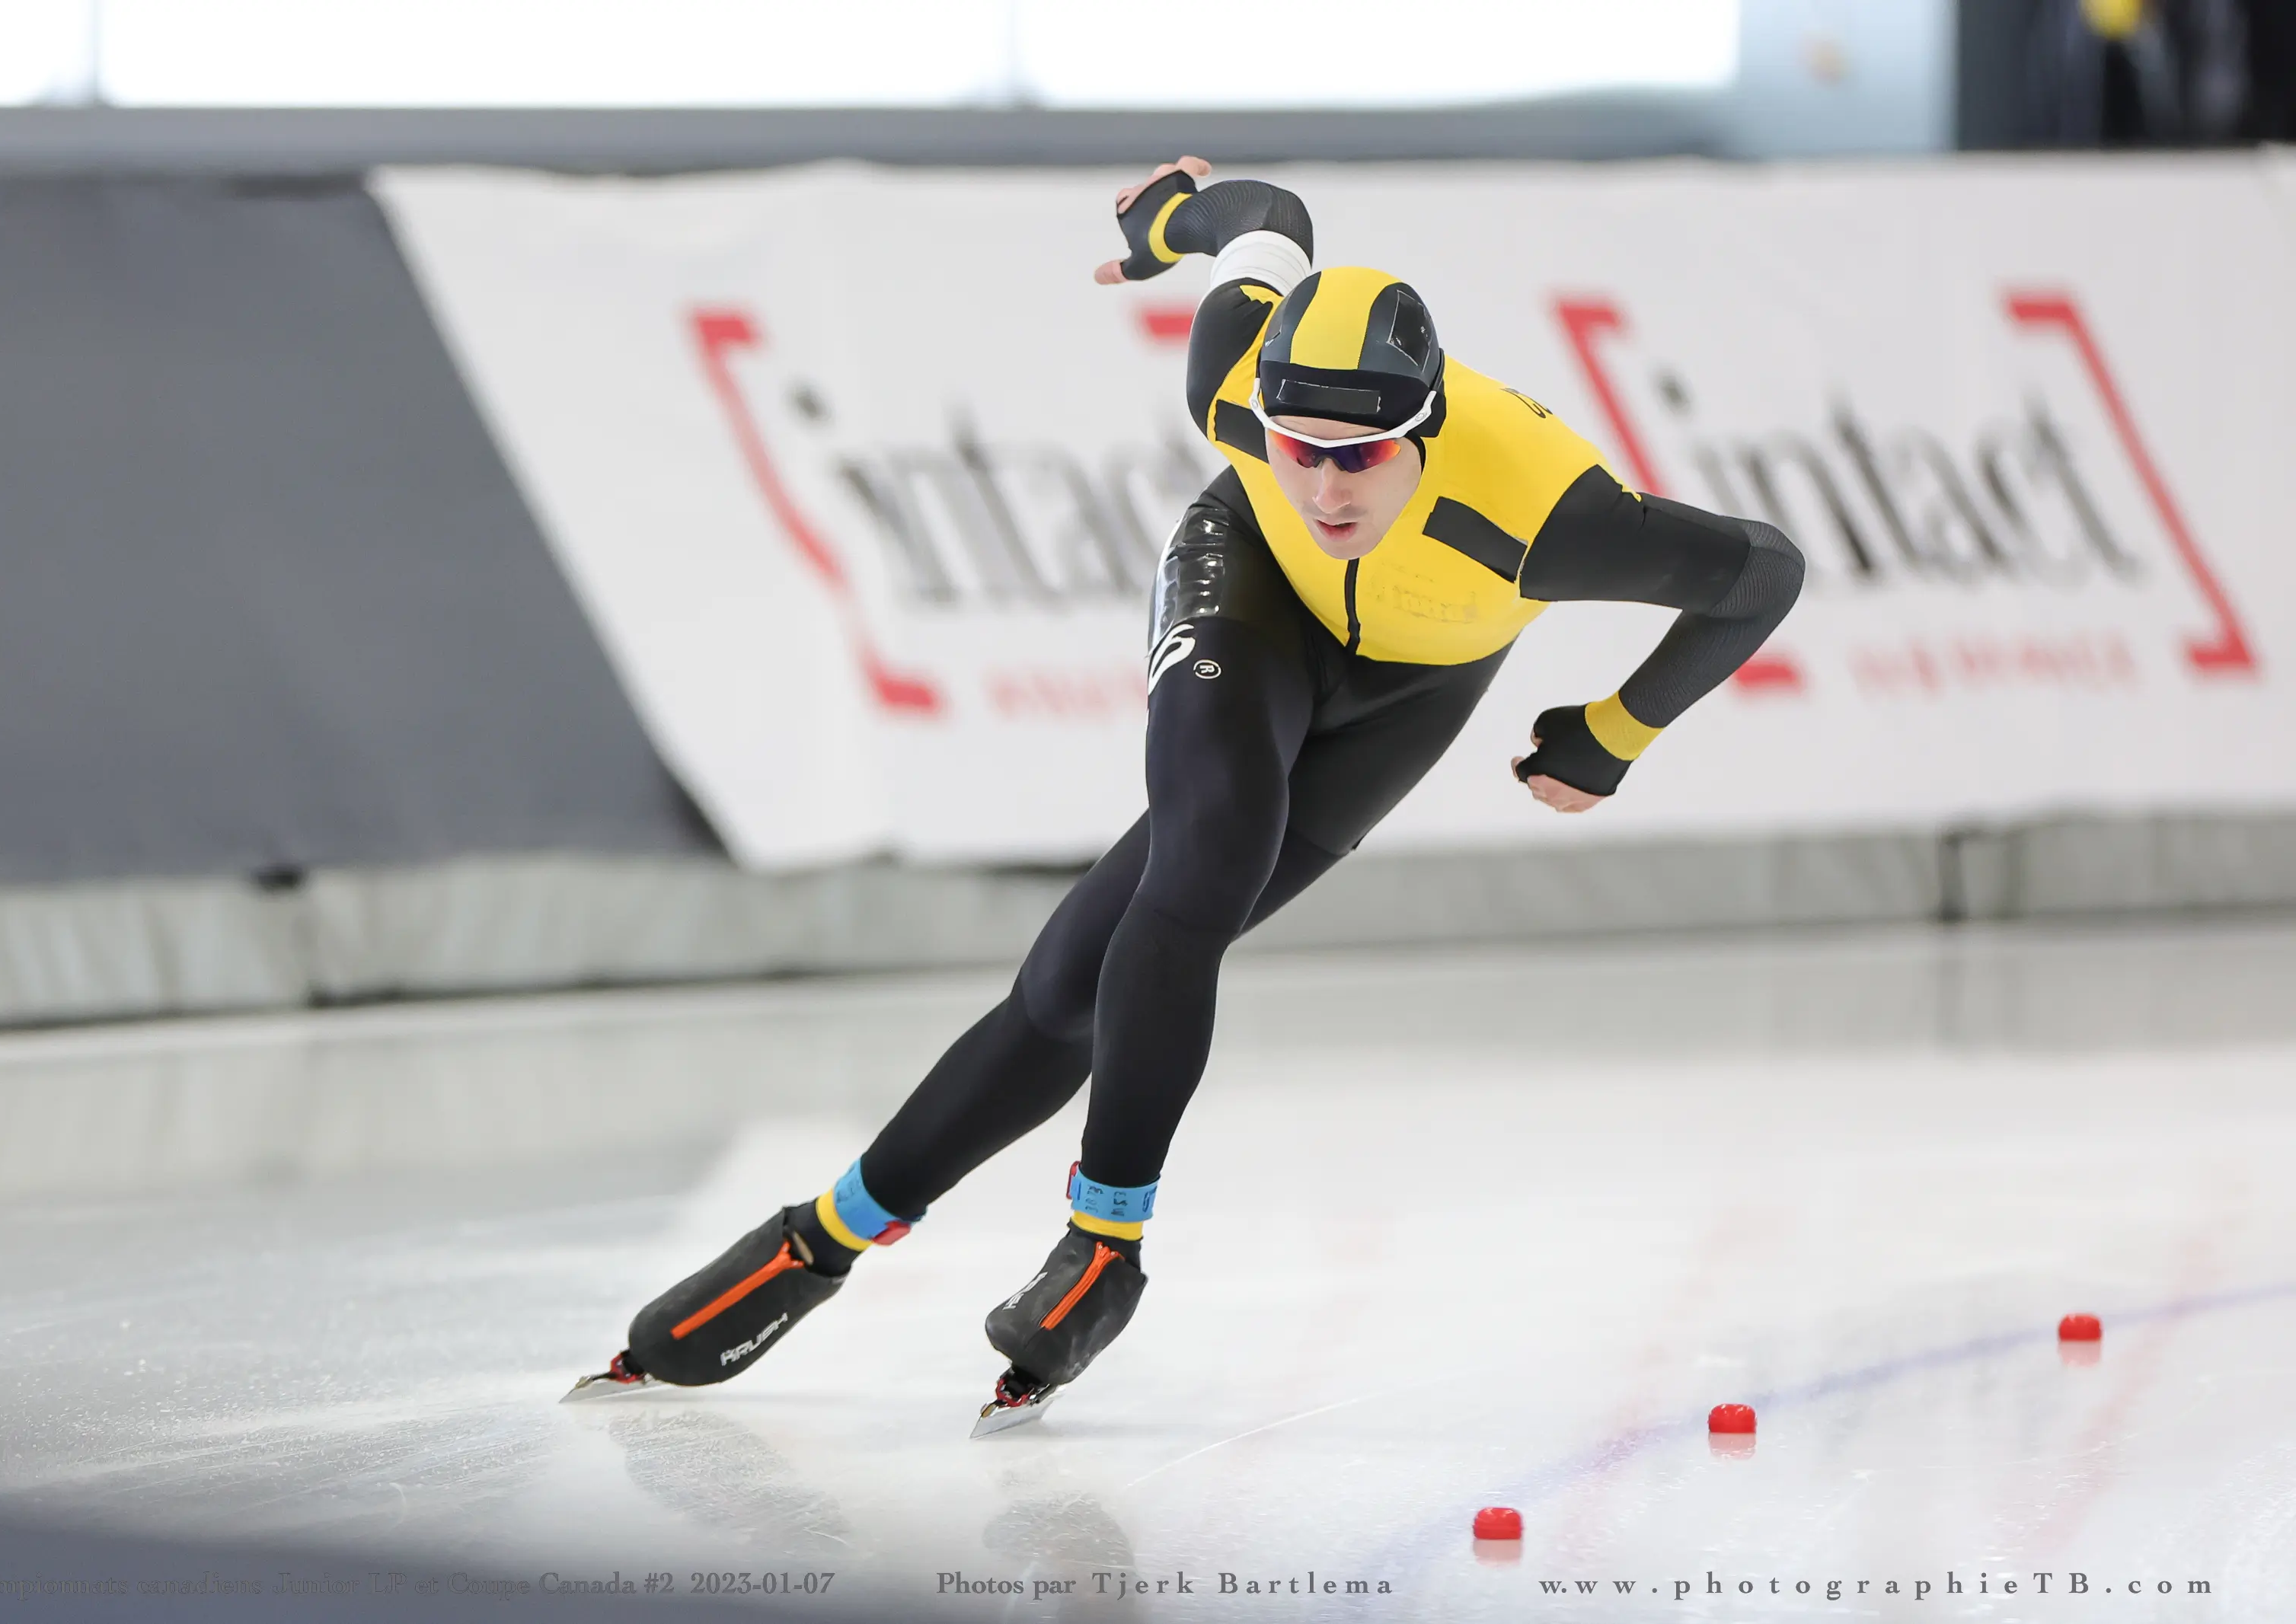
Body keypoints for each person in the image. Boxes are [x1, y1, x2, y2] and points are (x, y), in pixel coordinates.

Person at [567, 158, 1804, 1430]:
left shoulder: (1557, 514)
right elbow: (1266, 223)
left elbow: (1763, 574)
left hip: (1414, 687)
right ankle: (1027, 1246)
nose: (1325, 489)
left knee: (1072, 991)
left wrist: (1615, 732)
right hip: (1249, 597)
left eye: (1362, 456)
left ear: (1424, 430)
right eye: (1297, 448)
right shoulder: (1230, 378)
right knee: (1180, 883)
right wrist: (1169, 220)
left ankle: (845, 1234)